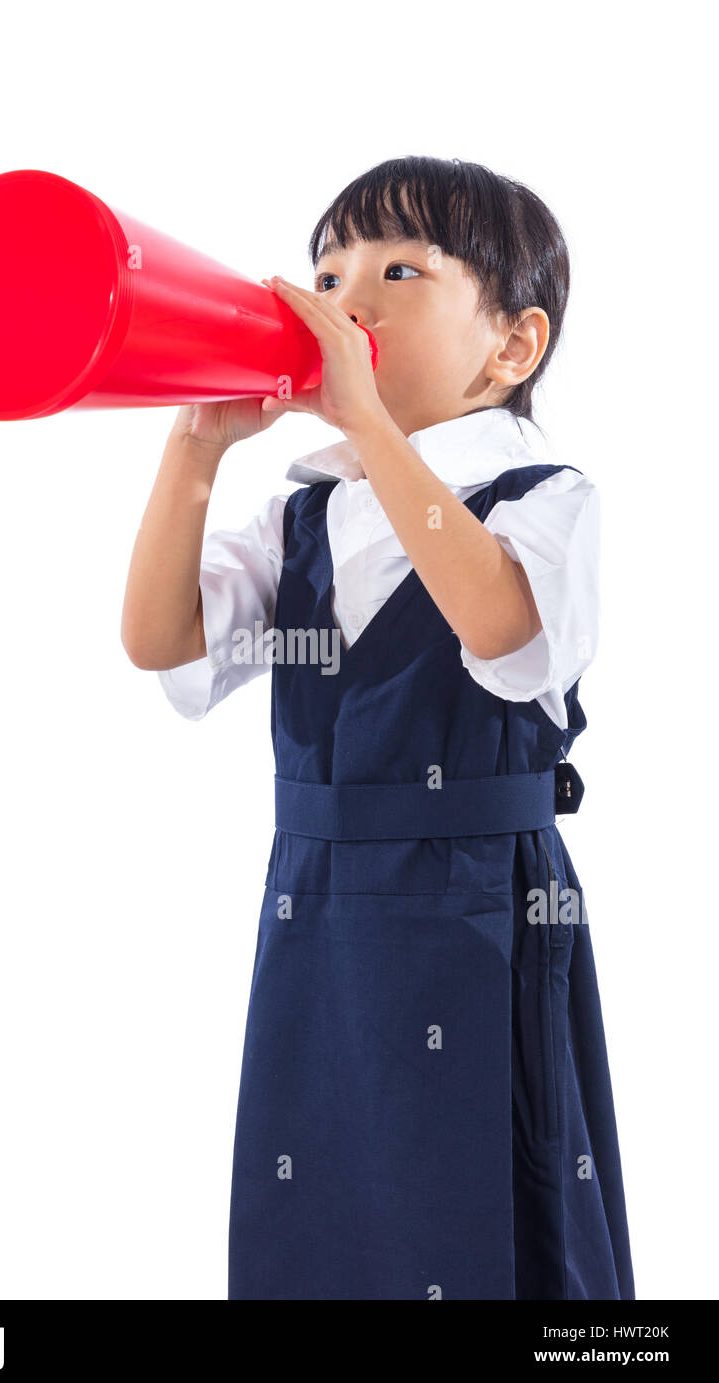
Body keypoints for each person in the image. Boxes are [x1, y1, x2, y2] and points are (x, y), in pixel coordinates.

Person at [121, 155, 636, 1301]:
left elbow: (500, 624)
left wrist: (364, 417)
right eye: (327, 267)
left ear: (511, 347)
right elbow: (161, 639)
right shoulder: (303, 510)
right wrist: (195, 448)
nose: (347, 291)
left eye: (399, 268)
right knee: (320, 1207)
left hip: (477, 905)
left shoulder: (542, 496)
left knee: (489, 1200)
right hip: (316, 904)